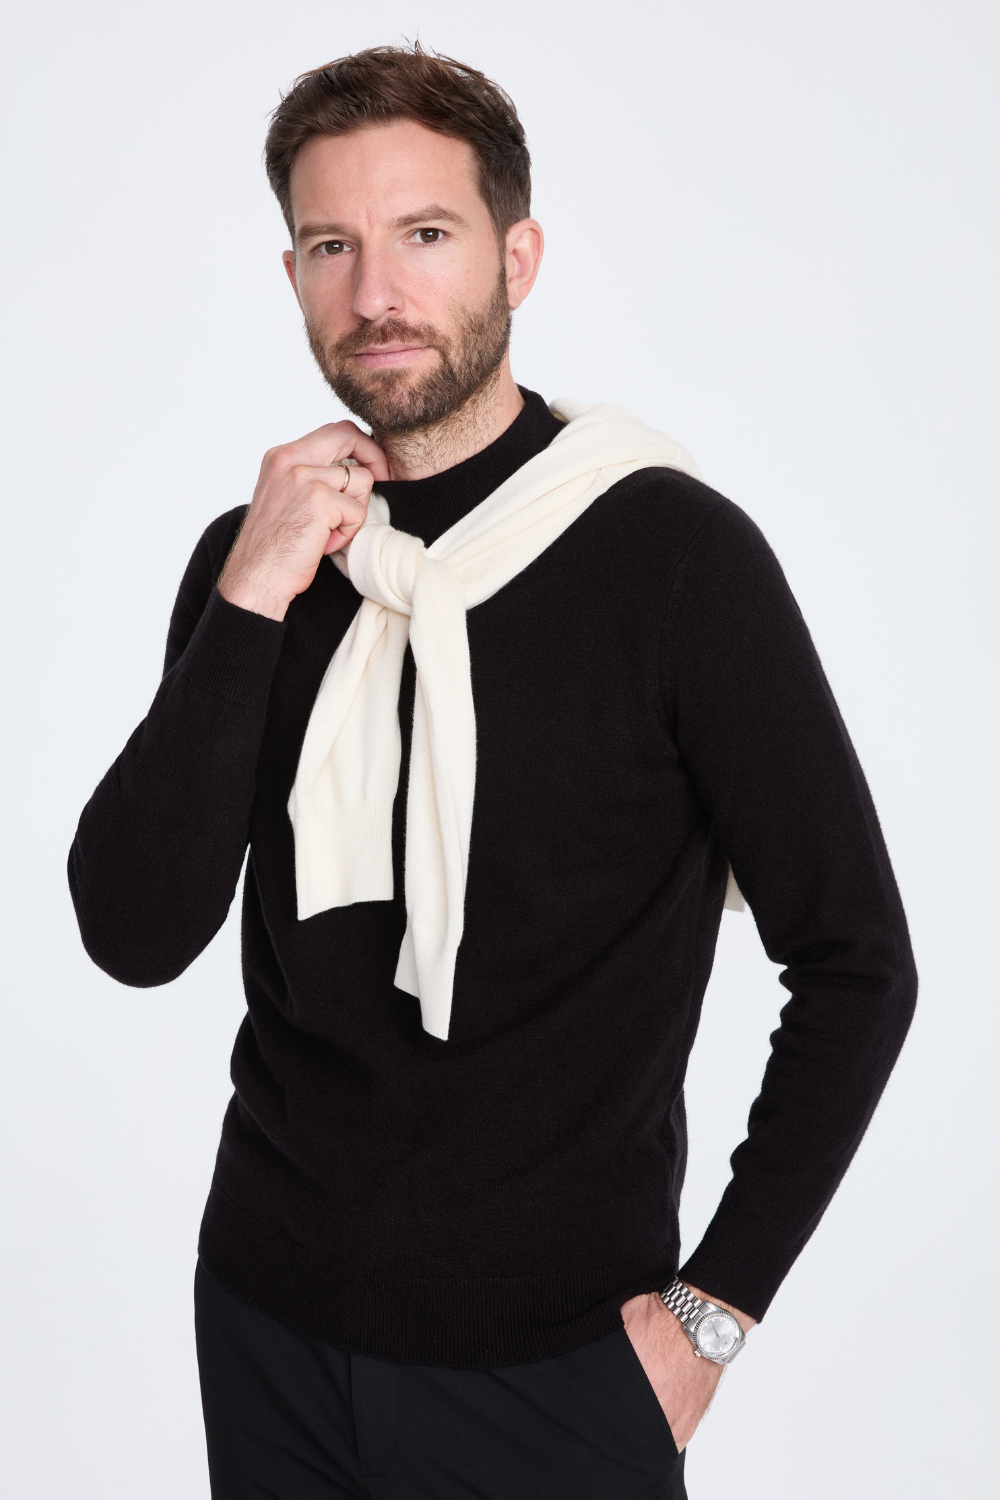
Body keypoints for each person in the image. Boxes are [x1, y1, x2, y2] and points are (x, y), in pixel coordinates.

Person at [69, 43, 917, 1500]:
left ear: (517, 257)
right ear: (292, 276)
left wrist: (710, 1318)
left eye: (424, 235)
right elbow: (134, 932)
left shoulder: (673, 557)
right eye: (332, 246)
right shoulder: (262, 558)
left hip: (565, 1370)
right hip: (268, 1324)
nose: (375, 295)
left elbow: (859, 964)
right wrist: (253, 591)